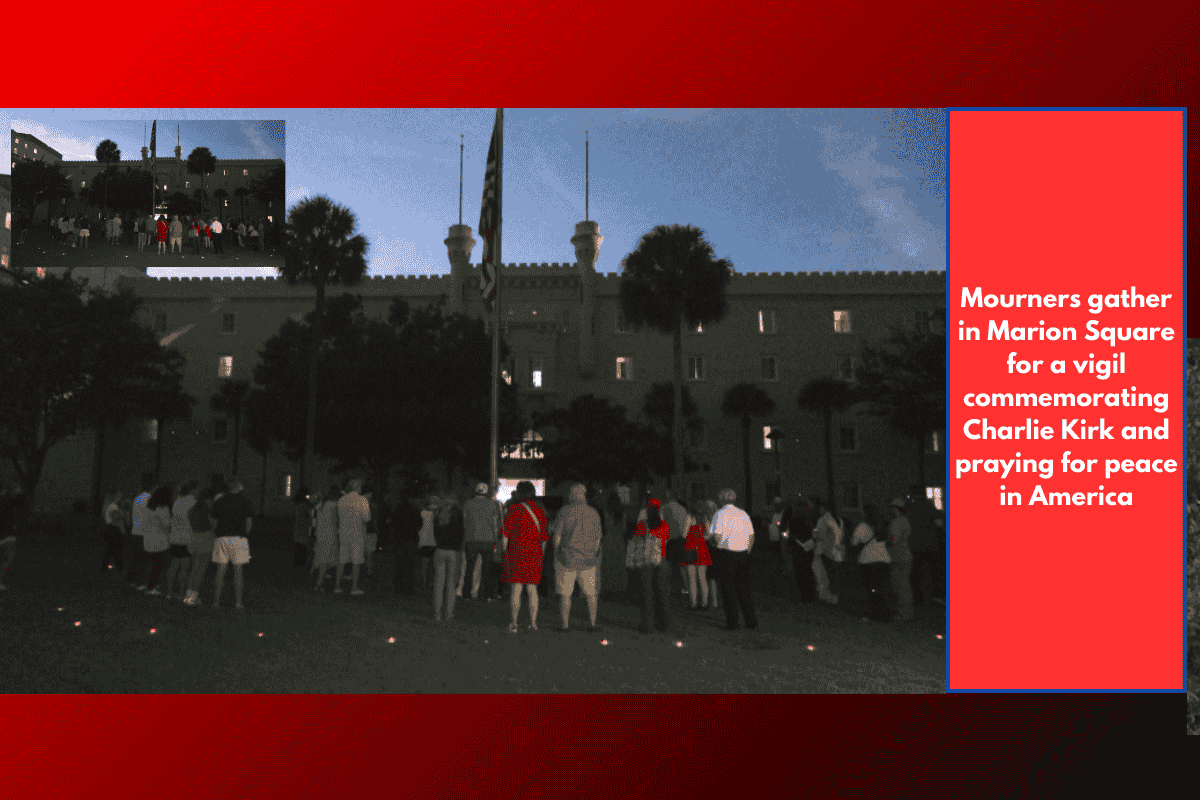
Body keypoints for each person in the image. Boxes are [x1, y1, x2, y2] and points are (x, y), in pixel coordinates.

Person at [551, 484, 603, 632]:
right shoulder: (593, 513)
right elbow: (598, 538)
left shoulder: (565, 511)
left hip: (567, 558)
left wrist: (557, 552)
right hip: (588, 559)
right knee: (591, 593)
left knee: (565, 594)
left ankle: (565, 624)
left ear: (572, 495)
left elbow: (558, 536)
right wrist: (594, 552)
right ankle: (592, 623)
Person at [501, 481, 548, 633]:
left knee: (516, 588)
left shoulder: (513, 509)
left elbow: (505, 536)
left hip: (517, 553)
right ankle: (533, 623)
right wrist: (540, 553)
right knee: (532, 589)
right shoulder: (540, 511)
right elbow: (544, 538)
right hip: (534, 554)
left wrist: (504, 551)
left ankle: (514, 623)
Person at [710, 488, 758, 631]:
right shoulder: (743, 514)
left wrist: (715, 541)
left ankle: (733, 623)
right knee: (744, 589)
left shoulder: (719, 514)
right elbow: (751, 536)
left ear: (722, 499)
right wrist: (746, 551)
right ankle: (751, 622)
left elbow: (717, 537)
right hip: (742, 555)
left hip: (727, 554)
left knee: (728, 589)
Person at [209, 478, 254, 609]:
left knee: (220, 571)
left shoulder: (219, 501)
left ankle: (216, 601)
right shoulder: (245, 501)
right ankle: (238, 602)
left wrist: (217, 530)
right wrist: (244, 533)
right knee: (238, 571)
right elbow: (249, 523)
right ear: (237, 486)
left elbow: (213, 520)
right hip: (238, 539)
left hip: (222, 538)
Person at [634, 497, 674, 634]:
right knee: (663, 593)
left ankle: (647, 625)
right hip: (661, 560)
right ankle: (665, 624)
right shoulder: (664, 524)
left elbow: (637, 541)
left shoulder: (642, 524)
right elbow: (667, 540)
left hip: (646, 561)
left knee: (647, 593)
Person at [852, 503, 891, 622]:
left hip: (868, 561)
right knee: (881, 588)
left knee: (871, 589)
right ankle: (884, 613)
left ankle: (874, 614)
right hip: (883, 560)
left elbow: (854, 542)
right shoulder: (882, 525)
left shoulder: (863, 526)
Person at [462, 482, 501, 601]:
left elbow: (465, 521)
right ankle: (487, 595)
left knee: (469, 568)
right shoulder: (492, 505)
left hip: (471, 539)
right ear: (486, 492)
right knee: (487, 569)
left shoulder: (468, 504)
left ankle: (466, 593)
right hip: (488, 540)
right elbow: (495, 525)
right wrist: (495, 540)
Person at [906, 485, 941, 607]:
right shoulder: (929, 507)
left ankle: (918, 598)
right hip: (930, 545)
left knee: (916, 573)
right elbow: (939, 523)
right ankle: (938, 595)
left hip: (916, 546)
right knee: (934, 571)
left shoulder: (910, 508)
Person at [432, 492, 465, 622]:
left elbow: (435, 533)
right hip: (454, 552)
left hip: (440, 550)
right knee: (451, 585)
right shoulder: (458, 514)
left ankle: (437, 614)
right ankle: (449, 614)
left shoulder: (438, 515)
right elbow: (461, 533)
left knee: (438, 584)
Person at [162, 481, 197, 599]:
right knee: (184, 568)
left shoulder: (177, 502)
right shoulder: (192, 501)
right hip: (187, 537)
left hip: (175, 537)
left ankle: (169, 592)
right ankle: (182, 593)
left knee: (173, 565)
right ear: (191, 490)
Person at [335, 478, 370, 595]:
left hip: (344, 533)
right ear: (359, 487)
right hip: (357, 534)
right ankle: (354, 588)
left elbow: (338, 517)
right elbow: (367, 518)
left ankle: (337, 586)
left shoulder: (341, 500)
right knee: (356, 561)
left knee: (342, 560)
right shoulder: (362, 500)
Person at [183, 488, 216, 605]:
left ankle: (188, 596)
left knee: (193, 569)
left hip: (194, 538)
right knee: (200, 571)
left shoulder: (192, 510)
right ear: (208, 499)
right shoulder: (208, 510)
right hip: (205, 539)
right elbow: (213, 525)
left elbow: (190, 522)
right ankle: (193, 597)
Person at [683, 500, 714, 610]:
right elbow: (709, 534)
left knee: (692, 578)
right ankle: (704, 603)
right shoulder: (705, 519)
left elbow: (684, 533)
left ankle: (693, 603)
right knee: (702, 578)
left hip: (691, 547)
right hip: (702, 548)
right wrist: (703, 537)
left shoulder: (689, 517)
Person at [142, 486, 173, 595]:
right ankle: (152, 587)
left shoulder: (148, 507)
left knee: (150, 564)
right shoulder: (163, 509)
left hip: (149, 539)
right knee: (157, 566)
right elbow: (166, 525)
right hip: (160, 541)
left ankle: (148, 584)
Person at [887, 497, 915, 622]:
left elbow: (894, 540)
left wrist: (886, 544)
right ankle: (908, 613)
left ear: (895, 508)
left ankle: (902, 614)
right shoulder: (906, 520)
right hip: (906, 555)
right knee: (906, 586)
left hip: (898, 556)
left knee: (899, 586)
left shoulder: (896, 522)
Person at [813, 498, 845, 604]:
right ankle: (835, 597)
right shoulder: (839, 520)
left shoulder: (823, 520)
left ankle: (827, 596)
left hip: (826, 551)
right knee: (836, 575)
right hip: (838, 551)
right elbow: (841, 536)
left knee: (825, 574)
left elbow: (817, 534)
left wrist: (814, 532)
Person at [786, 496, 818, 603]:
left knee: (801, 573)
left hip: (799, 548)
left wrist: (791, 542)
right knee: (808, 571)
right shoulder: (809, 518)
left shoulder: (795, 518)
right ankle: (810, 595)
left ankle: (805, 596)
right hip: (807, 548)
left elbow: (792, 535)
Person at [660, 490, 691, 597]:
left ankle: (669, 590)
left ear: (668, 496)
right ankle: (686, 589)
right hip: (682, 540)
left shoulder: (665, 508)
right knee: (682, 566)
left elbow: (661, 523)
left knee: (669, 566)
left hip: (670, 540)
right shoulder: (682, 509)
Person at [391, 494, 423, 595]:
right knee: (409, 566)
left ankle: (398, 587)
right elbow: (419, 524)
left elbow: (393, 522)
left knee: (399, 564)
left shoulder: (398, 509)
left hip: (400, 539)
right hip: (411, 540)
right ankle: (407, 588)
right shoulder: (415, 510)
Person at [127, 478, 154, 590]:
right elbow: (150, 516)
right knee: (142, 559)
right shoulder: (149, 499)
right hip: (144, 532)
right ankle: (139, 582)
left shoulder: (137, 498)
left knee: (135, 558)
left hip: (136, 530)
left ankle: (131, 580)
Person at [0, 485, 29, 590]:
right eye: (3, 490)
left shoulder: (8, 502)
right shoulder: (5, 503)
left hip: (9, 535)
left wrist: (18, 493)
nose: (5, 492)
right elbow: (19, 502)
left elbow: (20, 503)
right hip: (6, 535)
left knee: (7, 559)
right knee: (7, 559)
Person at [313, 486, 341, 592]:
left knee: (324, 558)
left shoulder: (320, 505)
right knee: (329, 559)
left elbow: (316, 519)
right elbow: (336, 520)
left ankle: (322, 582)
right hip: (330, 534)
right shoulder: (334, 505)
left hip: (321, 534)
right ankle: (320, 583)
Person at [99, 491, 127, 573]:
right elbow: (116, 518)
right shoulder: (113, 506)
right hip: (113, 530)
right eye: (120, 497)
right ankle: (119, 568)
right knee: (115, 550)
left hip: (111, 529)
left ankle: (106, 568)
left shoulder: (111, 506)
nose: (121, 499)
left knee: (112, 550)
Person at [767, 496, 790, 577]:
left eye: (777, 505)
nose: (775, 506)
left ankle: (783, 570)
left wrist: (777, 524)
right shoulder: (775, 514)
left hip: (779, 538)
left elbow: (783, 526)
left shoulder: (783, 514)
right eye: (775, 505)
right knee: (775, 554)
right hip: (773, 538)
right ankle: (777, 569)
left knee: (781, 554)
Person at [417, 495, 437, 589]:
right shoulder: (436, 515)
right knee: (431, 565)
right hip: (433, 542)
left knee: (424, 564)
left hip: (424, 541)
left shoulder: (422, 513)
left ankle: (423, 582)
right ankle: (429, 582)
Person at [291, 486, 312, 567]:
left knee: (299, 545)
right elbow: (307, 514)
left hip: (299, 526)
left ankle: (298, 562)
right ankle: (300, 562)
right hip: (303, 526)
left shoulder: (298, 504)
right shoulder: (303, 505)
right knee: (302, 545)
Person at [362, 484, 379, 580]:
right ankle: (369, 572)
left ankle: (368, 571)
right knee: (369, 553)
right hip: (370, 531)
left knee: (366, 552)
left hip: (367, 531)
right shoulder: (371, 505)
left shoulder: (365, 504)